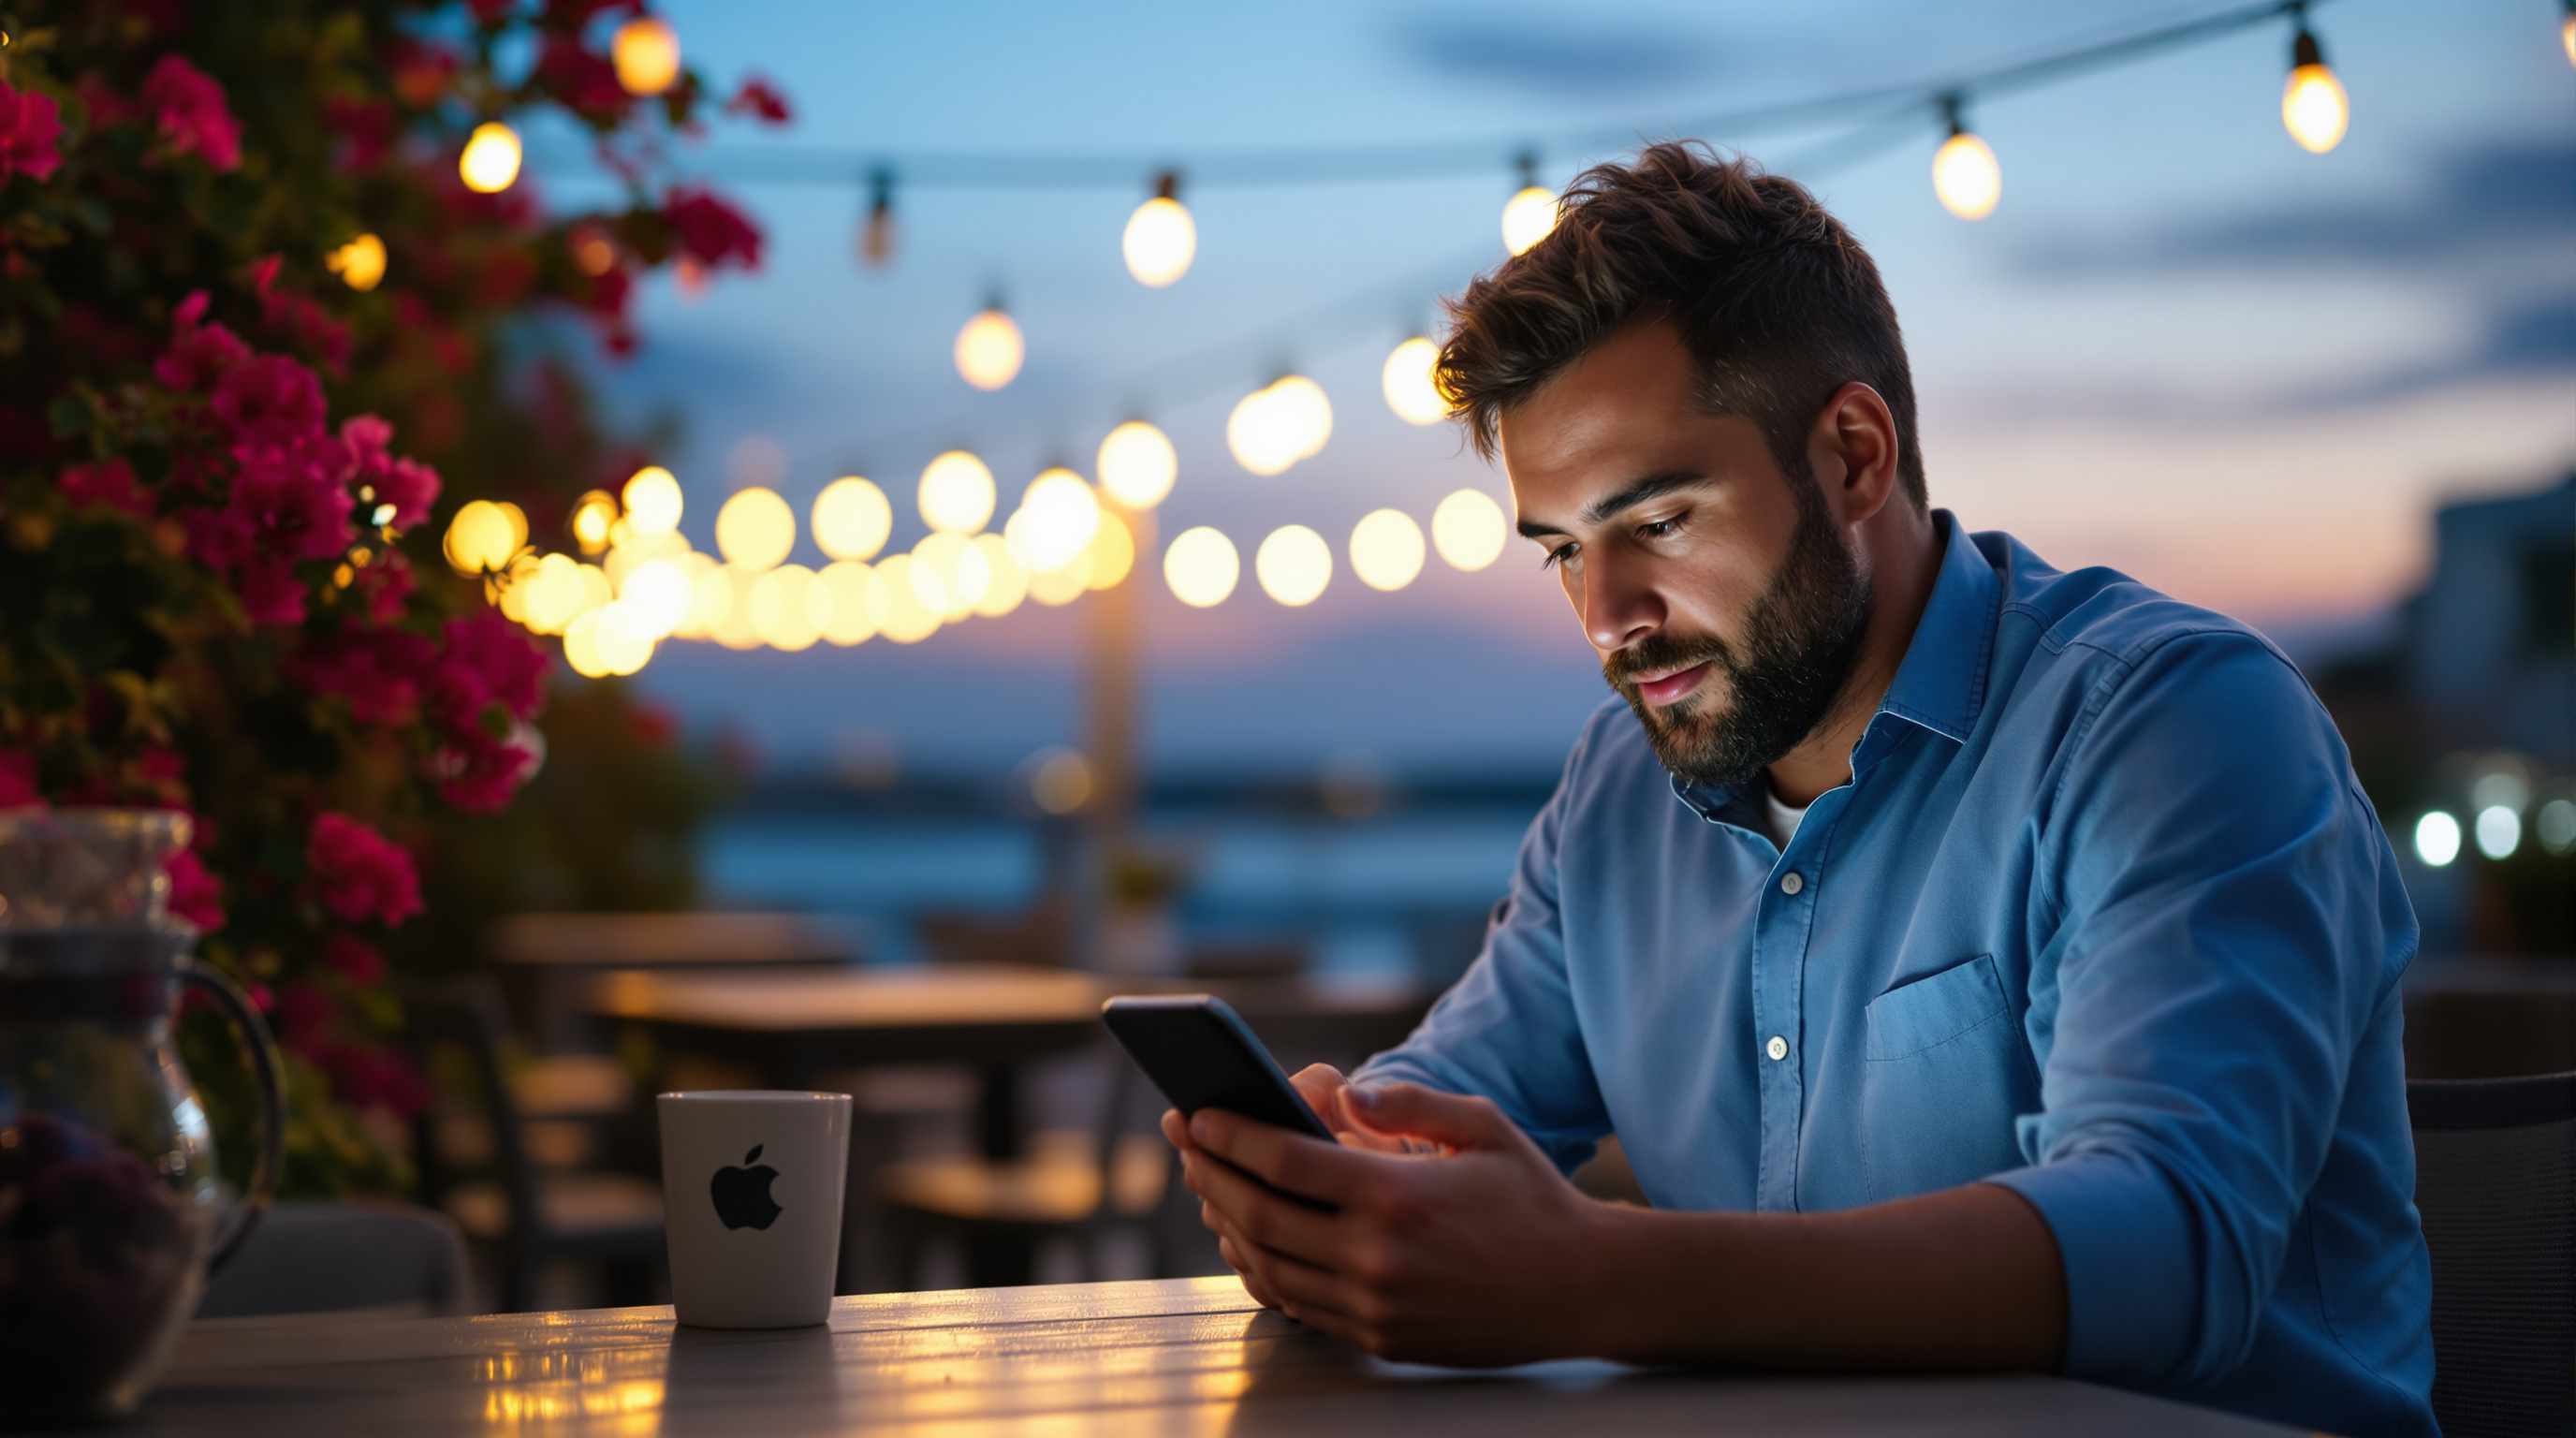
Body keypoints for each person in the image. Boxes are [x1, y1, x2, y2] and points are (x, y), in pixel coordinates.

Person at [1161, 142, 2433, 1437]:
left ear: (1853, 458)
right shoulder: (1618, 793)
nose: (1607, 619)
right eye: (1563, 552)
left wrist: (1595, 1281)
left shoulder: (2175, 725)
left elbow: (2166, 1251)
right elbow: (1442, 1115)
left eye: (1658, 524)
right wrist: (1346, 1188)